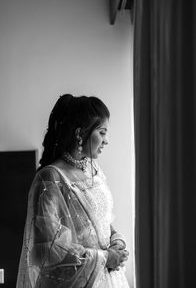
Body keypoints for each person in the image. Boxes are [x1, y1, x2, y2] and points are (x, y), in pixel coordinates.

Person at [17, 94, 130, 288]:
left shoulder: (94, 170)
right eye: (102, 132)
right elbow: (50, 249)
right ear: (80, 133)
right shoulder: (50, 178)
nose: (106, 140)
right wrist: (104, 258)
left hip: (110, 277)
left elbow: (103, 221)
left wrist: (117, 242)